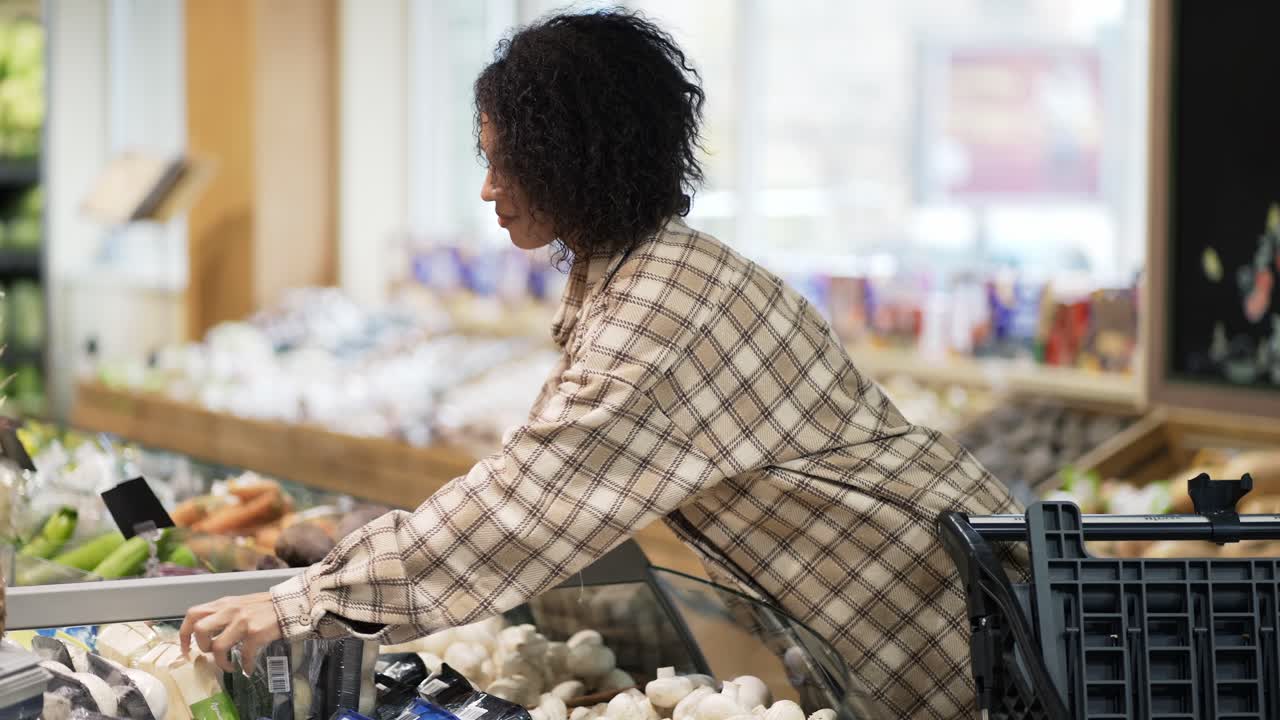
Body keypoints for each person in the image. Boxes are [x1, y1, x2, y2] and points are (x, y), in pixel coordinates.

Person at [180, 10, 1019, 720]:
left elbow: (526, 500)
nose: (486, 189)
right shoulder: (647, 269)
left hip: (955, 629)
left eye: (501, 160)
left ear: (570, 158)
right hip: (913, 611)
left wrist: (307, 601)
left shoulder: (669, 305)